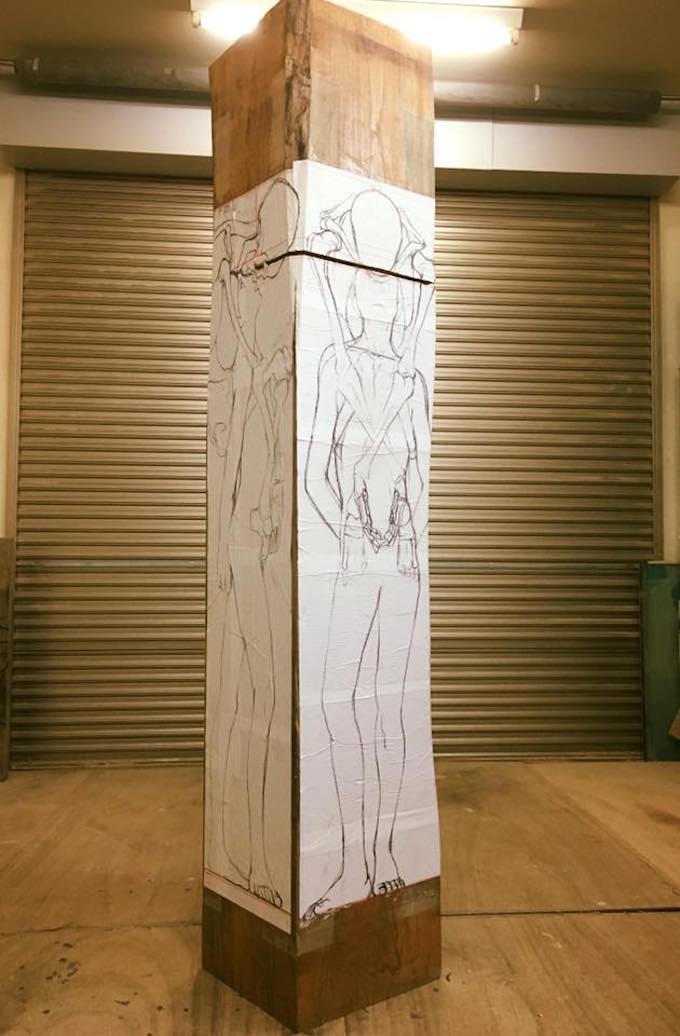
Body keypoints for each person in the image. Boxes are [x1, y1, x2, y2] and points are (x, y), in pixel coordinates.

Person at [303, 189, 433, 918]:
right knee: (339, 708)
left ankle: (383, 857)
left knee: (389, 709)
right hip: (358, 562)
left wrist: (401, 526)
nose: (379, 298)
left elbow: (421, 472)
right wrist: (351, 528)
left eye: (389, 286)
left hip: (399, 567)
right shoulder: (334, 364)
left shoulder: (412, 381)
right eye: (368, 282)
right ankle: (352, 861)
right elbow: (315, 470)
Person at [208, 178, 298, 909]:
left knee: (265, 704)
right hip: (247, 551)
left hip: (265, 553)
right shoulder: (248, 364)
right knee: (249, 703)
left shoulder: (277, 365)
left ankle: (261, 862)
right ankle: (247, 862)